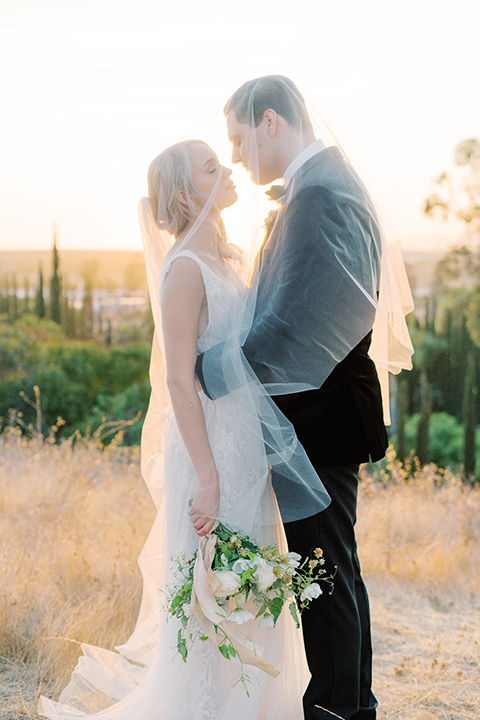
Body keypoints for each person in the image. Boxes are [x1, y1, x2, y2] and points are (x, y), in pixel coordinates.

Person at [37, 138, 331, 720]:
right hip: (206, 453)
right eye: (210, 167)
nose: (226, 171)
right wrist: (207, 477)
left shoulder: (230, 257)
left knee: (252, 589)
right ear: (185, 192)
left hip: (245, 446)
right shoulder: (183, 271)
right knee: (207, 593)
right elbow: (178, 381)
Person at [195, 75, 414, 720]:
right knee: (329, 569)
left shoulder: (320, 195)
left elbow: (305, 324)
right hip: (315, 413)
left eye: (238, 139)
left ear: (271, 123)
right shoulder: (317, 187)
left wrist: (214, 370)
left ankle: (340, 709)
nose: (236, 156)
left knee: (323, 574)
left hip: (320, 414)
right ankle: (349, 703)